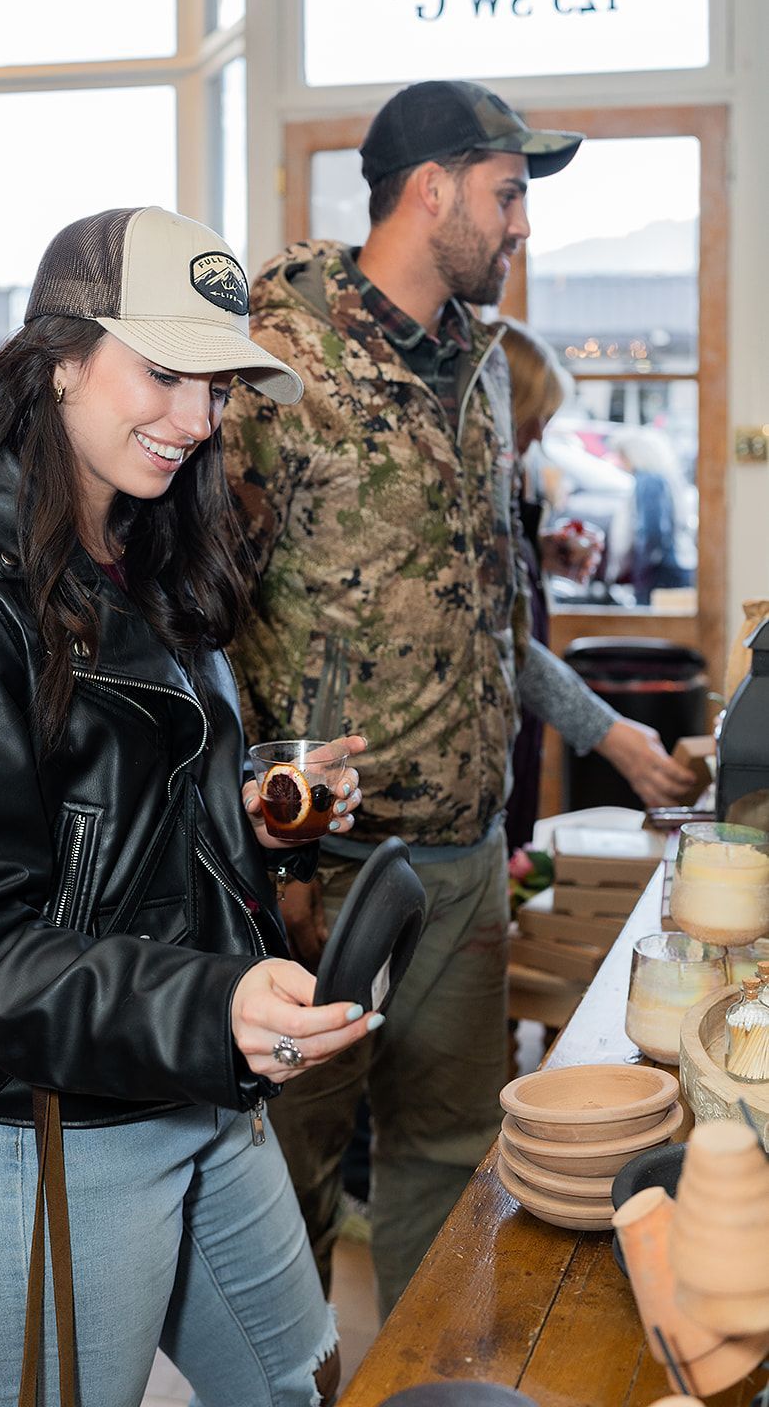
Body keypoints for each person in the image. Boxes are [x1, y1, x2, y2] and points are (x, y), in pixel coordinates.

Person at [0, 206, 378, 1407]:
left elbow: (106, 823)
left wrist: (252, 815)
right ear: (61, 356)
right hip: (41, 1137)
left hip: (189, 1087)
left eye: (218, 385)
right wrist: (214, 999)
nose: (197, 420)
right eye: (164, 371)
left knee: (293, 1383)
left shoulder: (135, 548)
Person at [223, 79, 694, 1316]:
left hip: (461, 856)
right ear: (427, 190)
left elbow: (490, 619)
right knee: (287, 1181)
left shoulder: (480, 376)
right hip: (319, 871)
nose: (520, 226)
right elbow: (197, 617)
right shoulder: (275, 357)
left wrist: (613, 734)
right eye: (506, 194)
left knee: (444, 1165)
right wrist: (277, 847)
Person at [498, 319, 694, 851]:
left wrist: (544, 550)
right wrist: (607, 732)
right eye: (532, 418)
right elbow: (497, 636)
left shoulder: (514, 472)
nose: (539, 434)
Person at [614, 426, 696, 605]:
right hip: (673, 565)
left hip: (660, 571)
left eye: (622, 456)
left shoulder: (649, 481)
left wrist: (641, 569)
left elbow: (653, 531)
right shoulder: (662, 478)